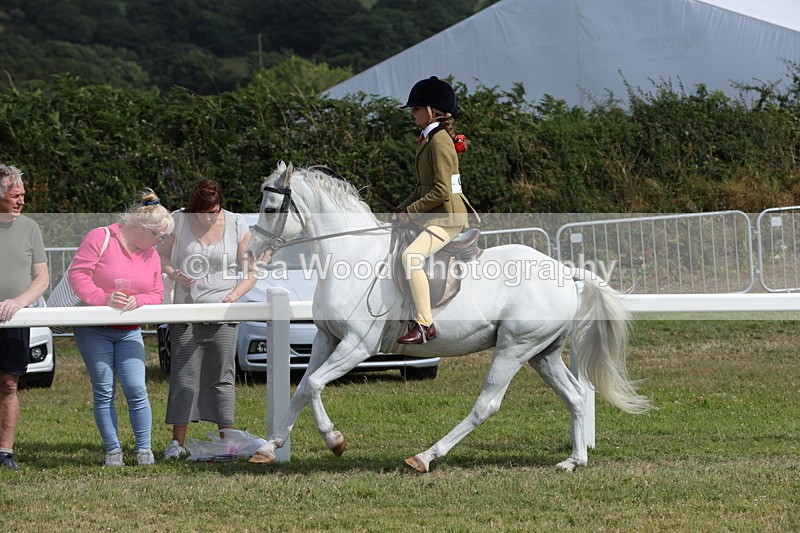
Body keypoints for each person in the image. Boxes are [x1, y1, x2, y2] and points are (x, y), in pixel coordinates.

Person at [69, 189, 173, 467]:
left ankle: (144, 450)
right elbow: (78, 274)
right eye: (159, 236)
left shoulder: (150, 253)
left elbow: (157, 292)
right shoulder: (100, 237)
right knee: (103, 390)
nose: (161, 241)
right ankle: (113, 451)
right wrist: (103, 298)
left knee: (137, 388)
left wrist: (139, 300)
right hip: (93, 328)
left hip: (129, 330)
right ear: (141, 229)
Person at [158, 179, 257, 459]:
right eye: (203, 212)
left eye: (213, 212)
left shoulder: (237, 224)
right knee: (184, 376)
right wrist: (174, 273)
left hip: (224, 311)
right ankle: (177, 443)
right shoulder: (177, 220)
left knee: (222, 376)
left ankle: (227, 440)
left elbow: (251, 272)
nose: (208, 217)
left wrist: (234, 295)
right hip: (185, 311)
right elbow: (161, 256)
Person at [395, 76, 480, 344]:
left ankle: (424, 325)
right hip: (435, 213)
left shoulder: (440, 141)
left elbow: (441, 191)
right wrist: (401, 209)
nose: (413, 112)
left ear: (433, 111)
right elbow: (423, 186)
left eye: (417, 108)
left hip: (447, 217)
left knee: (410, 258)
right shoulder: (428, 138)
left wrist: (411, 212)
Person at [0, 164, 49, 470]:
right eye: (14, 195)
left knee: (8, 385)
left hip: (15, 320)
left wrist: (18, 303)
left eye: (23, 195)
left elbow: (42, 278)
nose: (21, 201)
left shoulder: (30, 227)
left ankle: (5, 452)